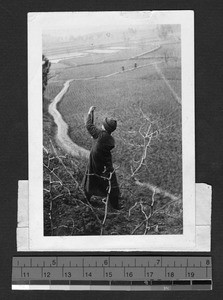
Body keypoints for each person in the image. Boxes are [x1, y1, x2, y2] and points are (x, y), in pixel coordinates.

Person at [83, 106, 121, 210]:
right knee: (110, 181)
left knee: (90, 178)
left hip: (94, 161)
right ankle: (115, 204)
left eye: (103, 125)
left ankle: (87, 199)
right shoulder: (109, 139)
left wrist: (90, 112)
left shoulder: (99, 134)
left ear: (104, 127)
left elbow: (88, 125)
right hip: (105, 163)